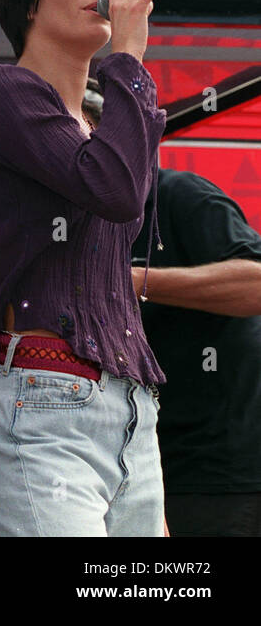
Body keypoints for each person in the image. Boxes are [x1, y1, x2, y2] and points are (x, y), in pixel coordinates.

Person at [0, 0, 171, 537]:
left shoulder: (106, 119)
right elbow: (114, 189)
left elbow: (120, 185)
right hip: (43, 399)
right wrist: (128, 53)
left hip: (130, 407)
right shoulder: (1, 91)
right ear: (27, 0)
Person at [81, 85, 261, 535]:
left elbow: (256, 283)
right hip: (127, 469)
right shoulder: (72, 224)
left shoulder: (178, 193)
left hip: (216, 475)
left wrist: (135, 281)